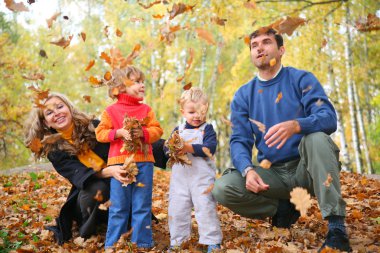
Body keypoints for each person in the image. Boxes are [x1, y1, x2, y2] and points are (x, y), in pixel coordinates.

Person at [212, 28, 351, 252]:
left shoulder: (301, 79)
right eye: (254, 45)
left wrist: (298, 125)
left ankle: (336, 227)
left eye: (266, 42)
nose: (259, 48)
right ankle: (282, 208)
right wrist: (247, 170)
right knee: (223, 187)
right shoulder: (243, 95)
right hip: (272, 174)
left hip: (306, 169)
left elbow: (328, 118)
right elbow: (239, 140)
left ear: (281, 49)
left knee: (315, 138)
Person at [24, 92, 167, 245]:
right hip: (89, 193)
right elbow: (80, 175)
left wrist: (167, 148)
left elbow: (127, 138)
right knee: (96, 189)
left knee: (128, 187)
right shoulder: (54, 150)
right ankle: (89, 229)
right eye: (49, 112)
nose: (57, 113)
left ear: (69, 108)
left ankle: (127, 222)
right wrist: (111, 170)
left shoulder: (95, 126)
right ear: (46, 123)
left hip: (120, 182)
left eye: (60, 107)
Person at [95, 66, 163, 249]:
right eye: (137, 82)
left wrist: (143, 132)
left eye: (143, 82)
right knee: (118, 207)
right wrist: (117, 133)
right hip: (120, 166)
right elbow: (100, 133)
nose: (142, 85)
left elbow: (157, 130)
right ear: (120, 87)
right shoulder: (110, 111)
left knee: (142, 205)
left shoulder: (146, 110)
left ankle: (142, 242)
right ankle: (114, 243)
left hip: (144, 163)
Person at [165, 87, 222, 252]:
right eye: (192, 112)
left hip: (202, 179)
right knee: (177, 210)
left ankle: (212, 240)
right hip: (180, 181)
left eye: (201, 111)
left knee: (205, 208)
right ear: (183, 112)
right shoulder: (178, 130)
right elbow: (166, 148)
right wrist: (171, 151)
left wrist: (188, 147)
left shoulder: (208, 130)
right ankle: (178, 242)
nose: (197, 116)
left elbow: (209, 148)